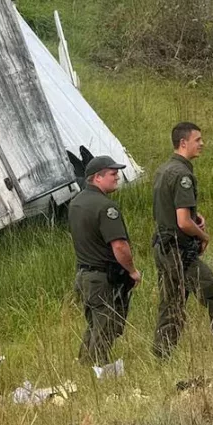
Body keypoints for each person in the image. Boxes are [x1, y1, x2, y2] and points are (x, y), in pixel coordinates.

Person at [152, 122, 213, 356]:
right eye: (197, 139)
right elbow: (183, 222)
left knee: (171, 306)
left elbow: (169, 211)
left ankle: (161, 356)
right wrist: (203, 235)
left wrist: (194, 216)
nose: (202, 144)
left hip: (164, 247)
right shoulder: (182, 175)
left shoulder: (163, 170)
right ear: (183, 143)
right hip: (180, 252)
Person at [68, 155, 142, 365]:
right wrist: (132, 271)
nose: (117, 177)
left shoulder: (76, 203)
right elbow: (119, 246)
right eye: (112, 173)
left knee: (95, 324)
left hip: (84, 274)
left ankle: (84, 365)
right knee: (106, 326)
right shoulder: (106, 207)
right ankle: (97, 368)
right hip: (102, 277)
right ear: (97, 177)